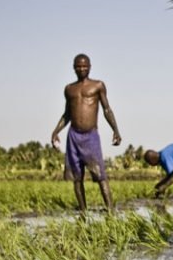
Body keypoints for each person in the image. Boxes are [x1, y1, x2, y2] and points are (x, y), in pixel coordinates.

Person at [51, 53, 121, 212]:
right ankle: (83, 211)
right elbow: (67, 114)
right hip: (73, 136)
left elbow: (107, 109)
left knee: (100, 175)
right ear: (73, 68)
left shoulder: (98, 85)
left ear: (89, 67)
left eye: (84, 66)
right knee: (77, 177)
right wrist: (56, 131)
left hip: (90, 136)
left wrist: (115, 130)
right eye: (78, 66)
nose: (81, 69)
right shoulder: (69, 89)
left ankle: (110, 211)